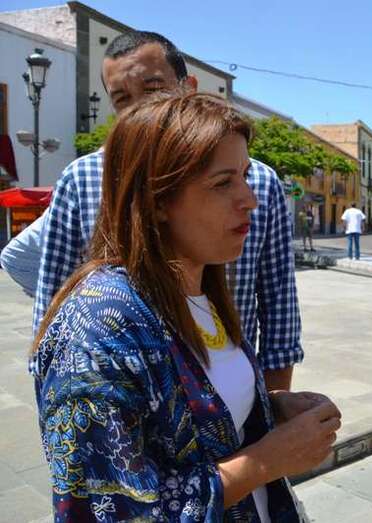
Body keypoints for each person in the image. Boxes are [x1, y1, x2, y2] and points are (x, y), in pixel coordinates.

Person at [31, 92, 341, 522]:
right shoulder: (99, 327)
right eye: (223, 182)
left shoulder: (202, 290)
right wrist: (269, 460)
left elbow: (198, 419)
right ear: (157, 200)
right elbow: (110, 509)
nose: (250, 199)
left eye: (245, 177)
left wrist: (269, 410)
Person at [1, 31, 302, 392]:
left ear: (187, 87)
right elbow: (51, 299)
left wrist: (276, 410)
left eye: (154, 89)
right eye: (122, 98)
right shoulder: (83, 179)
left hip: (233, 391)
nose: (140, 108)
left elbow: (278, 305)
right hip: (128, 405)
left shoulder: (258, 182)